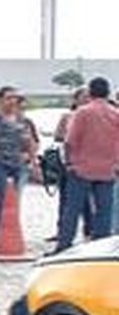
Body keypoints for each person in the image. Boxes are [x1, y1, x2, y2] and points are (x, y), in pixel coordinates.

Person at [56, 76, 119, 252]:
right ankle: (101, 248)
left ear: (91, 92)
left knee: (72, 210)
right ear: (107, 92)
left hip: (81, 169)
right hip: (107, 170)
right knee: (104, 212)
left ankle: (63, 245)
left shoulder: (83, 113)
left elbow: (69, 141)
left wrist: (69, 163)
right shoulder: (116, 114)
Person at [0, 87, 35, 250]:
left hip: (18, 164)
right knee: (2, 200)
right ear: (0, 100)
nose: (12, 101)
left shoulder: (23, 119)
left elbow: (30, 140)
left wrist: (31, 160)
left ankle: (12, 235)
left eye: (15, 98)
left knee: (14, 202)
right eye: (8, 98)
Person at [52, 88, 92, 242]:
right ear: (75, 100)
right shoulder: (67, 116)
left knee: (87, 200)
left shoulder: (93, 116)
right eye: (83, 97)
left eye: (89, 97)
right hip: (68, 162)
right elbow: (58, 136)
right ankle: (62, 231)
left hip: (88, 163)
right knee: (65, 198)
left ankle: (88, 230)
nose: (86, 100)